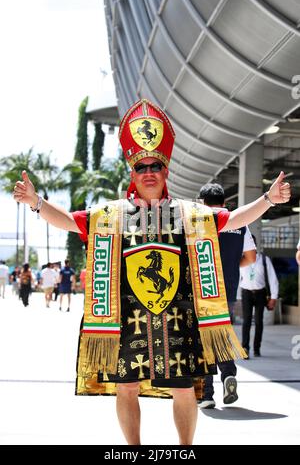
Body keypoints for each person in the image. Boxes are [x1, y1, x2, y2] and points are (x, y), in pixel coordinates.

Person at [12, 99, 291, 445]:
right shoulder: (110, 215)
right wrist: (37, 203)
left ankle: (185, 450)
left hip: (177, 319)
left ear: (165, 171)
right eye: (141, 166)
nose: (148, 171)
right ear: (132, 172)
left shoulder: (189, 213)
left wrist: (267, 198)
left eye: (155, 165)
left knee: (184, 388)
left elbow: (233, 219)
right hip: (127, 320)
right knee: (126, 387)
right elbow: (69, 221)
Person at [198, 183, 256, 409]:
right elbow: (251, 258)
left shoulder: (197, 221)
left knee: (202, 339)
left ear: (203, 202)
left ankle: (206, 394)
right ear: (224, 202)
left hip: (201, 289)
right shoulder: (238, 221)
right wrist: (231, 265)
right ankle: (228, 375)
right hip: (228, 290)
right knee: (220, 334)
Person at [240, 234, 279, 358]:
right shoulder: (241, 259)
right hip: (246, 292)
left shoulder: (264, 259)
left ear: (254, 245)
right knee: (246, 321)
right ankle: (245, 348)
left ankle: (257, 348)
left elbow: (273, 278)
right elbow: (237, 278)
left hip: (260, 293)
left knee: (258, 321)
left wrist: (273, 297)